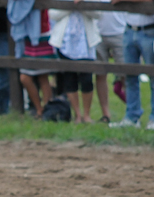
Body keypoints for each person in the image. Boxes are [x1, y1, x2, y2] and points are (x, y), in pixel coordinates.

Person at [49, 1, 101, 124]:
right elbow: (53, 14)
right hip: (66, 41)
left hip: (86, 42)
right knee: (69, 78)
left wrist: (83, 4)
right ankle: (77, 115)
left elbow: (98, 13)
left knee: (86, 79)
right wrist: (71, 4)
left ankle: (86, 115)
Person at [109, 0, 154, 130]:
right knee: (130, 76)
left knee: (152, 76)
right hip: (129, 29)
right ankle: (132, 117)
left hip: (150, 30)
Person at [95, 0, 126, 123]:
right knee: (100, 74)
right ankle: (105, 114)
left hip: (120, 31)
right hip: (98, 32)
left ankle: (131, 113)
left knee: (126, 75)